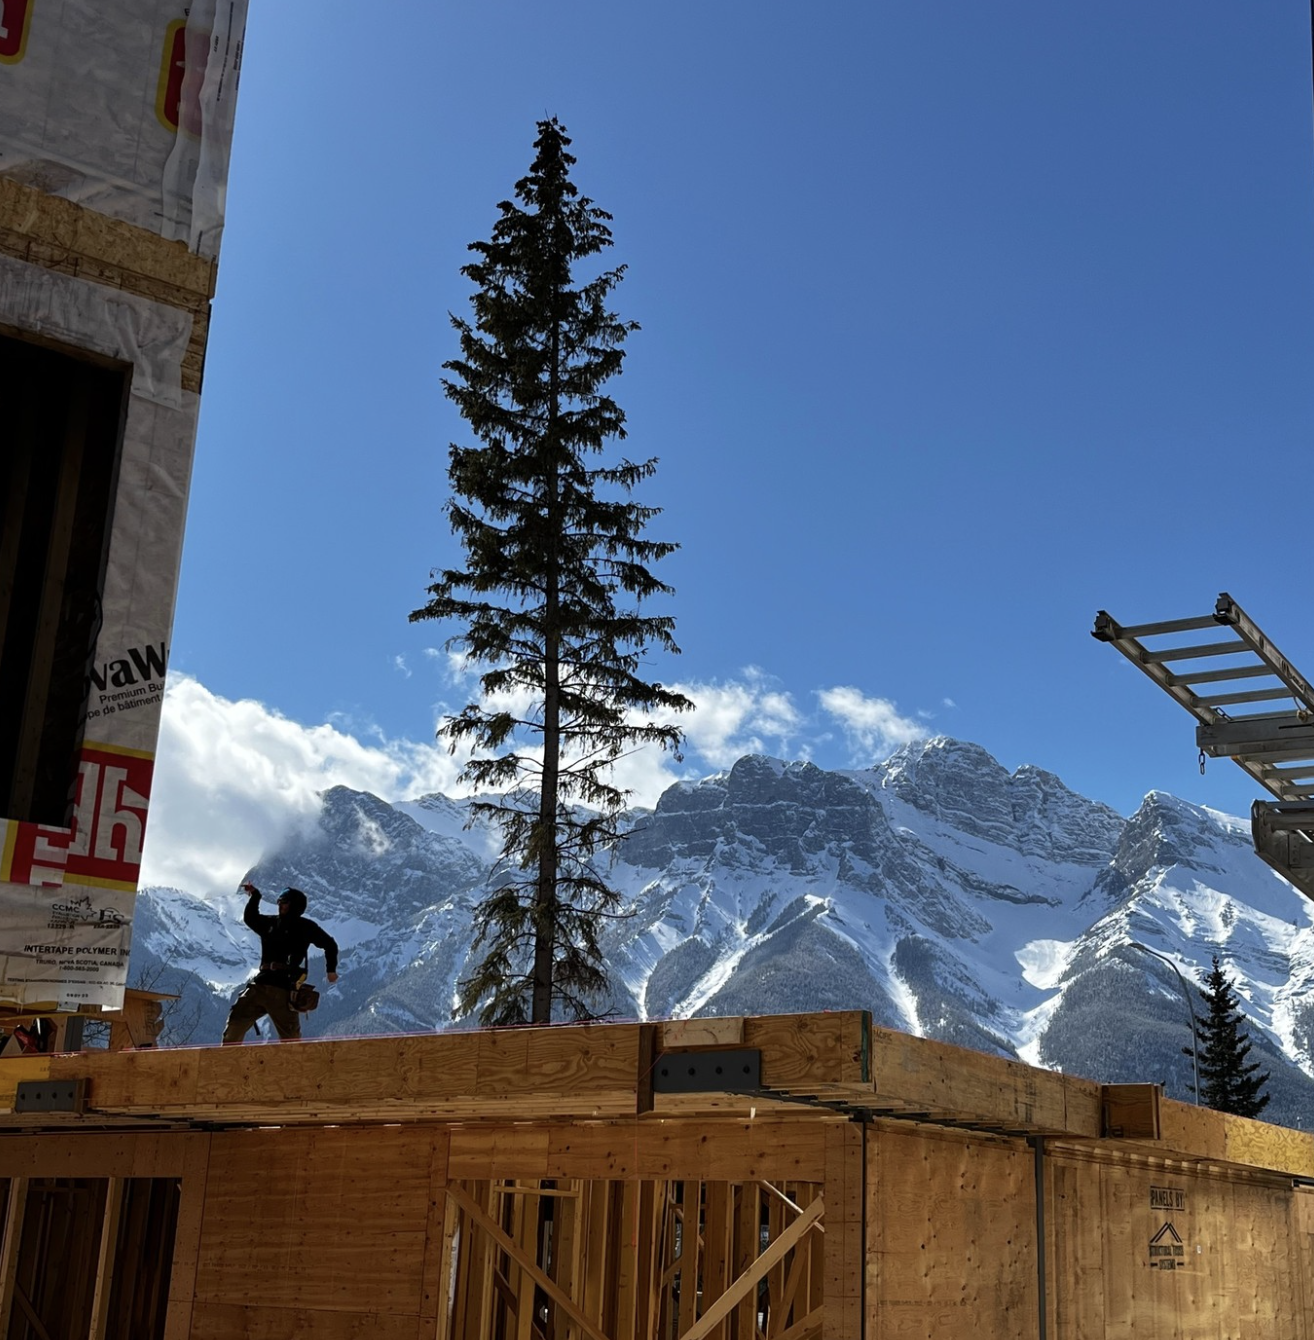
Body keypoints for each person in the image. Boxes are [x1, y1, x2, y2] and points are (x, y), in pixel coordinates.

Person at [221, 883, 340, 1044]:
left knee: (290, 1041)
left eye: (284, 902)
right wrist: (255, 896)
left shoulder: (306, 927)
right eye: (279, 901)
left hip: (284, 989)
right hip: (260, 984)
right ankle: (226, 1057)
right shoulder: (271, 923)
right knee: (235, 1023)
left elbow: (330, 945)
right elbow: (250, 918)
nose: (279, 904)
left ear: (294, 905)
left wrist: (331, 970)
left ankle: (291, 1061)